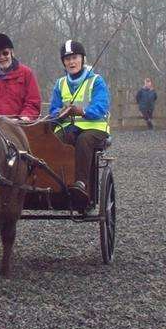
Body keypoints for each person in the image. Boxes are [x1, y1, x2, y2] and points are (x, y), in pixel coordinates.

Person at [48, 40, 111, 209]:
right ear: (63, 62)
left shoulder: (96, 81)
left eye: (74, 57)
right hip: (68, 128)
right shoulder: (60, 84)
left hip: (94, 128)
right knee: (54, 139)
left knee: (84, 140)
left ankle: (81, 184)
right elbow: (53, 109)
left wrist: (81, 111)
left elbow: (101, 106)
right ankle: (56, 182)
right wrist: (59, 113)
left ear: (82, 59)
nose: (71, 62)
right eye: (67, 59)